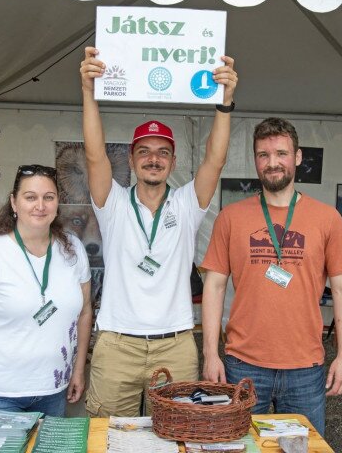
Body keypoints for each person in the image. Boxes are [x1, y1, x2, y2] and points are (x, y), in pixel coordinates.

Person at [79, 46, 238, 417]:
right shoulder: (113, 202)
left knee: (176, 435)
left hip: (176, 345)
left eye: (163, 152)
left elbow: (215, 159)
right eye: (145, 152)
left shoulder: (186, 204)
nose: (154, 158)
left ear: (174, 161)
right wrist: (88, 92)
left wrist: (225, 102)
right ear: (131, 160)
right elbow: (93, 155)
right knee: (108, 439)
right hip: (117, 344)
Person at [200, 118, 342, 436]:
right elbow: (214, 285)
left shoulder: (327, 218)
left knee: (301, 447)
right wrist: (210, 353)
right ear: (255, 159)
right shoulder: (230, 217)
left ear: (297, 157)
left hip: (304, 366)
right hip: (242, 363)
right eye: (263, 155)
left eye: (281, 153)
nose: (272, 163)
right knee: (238, 444)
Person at [0, 165, 92, 420]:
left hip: (52, 390)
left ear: (57, 203)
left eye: (49, 197)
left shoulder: (73, 249)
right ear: (14, 202)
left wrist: (78, 369)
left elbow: (85, 311)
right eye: (30, 197)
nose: (40, 205)